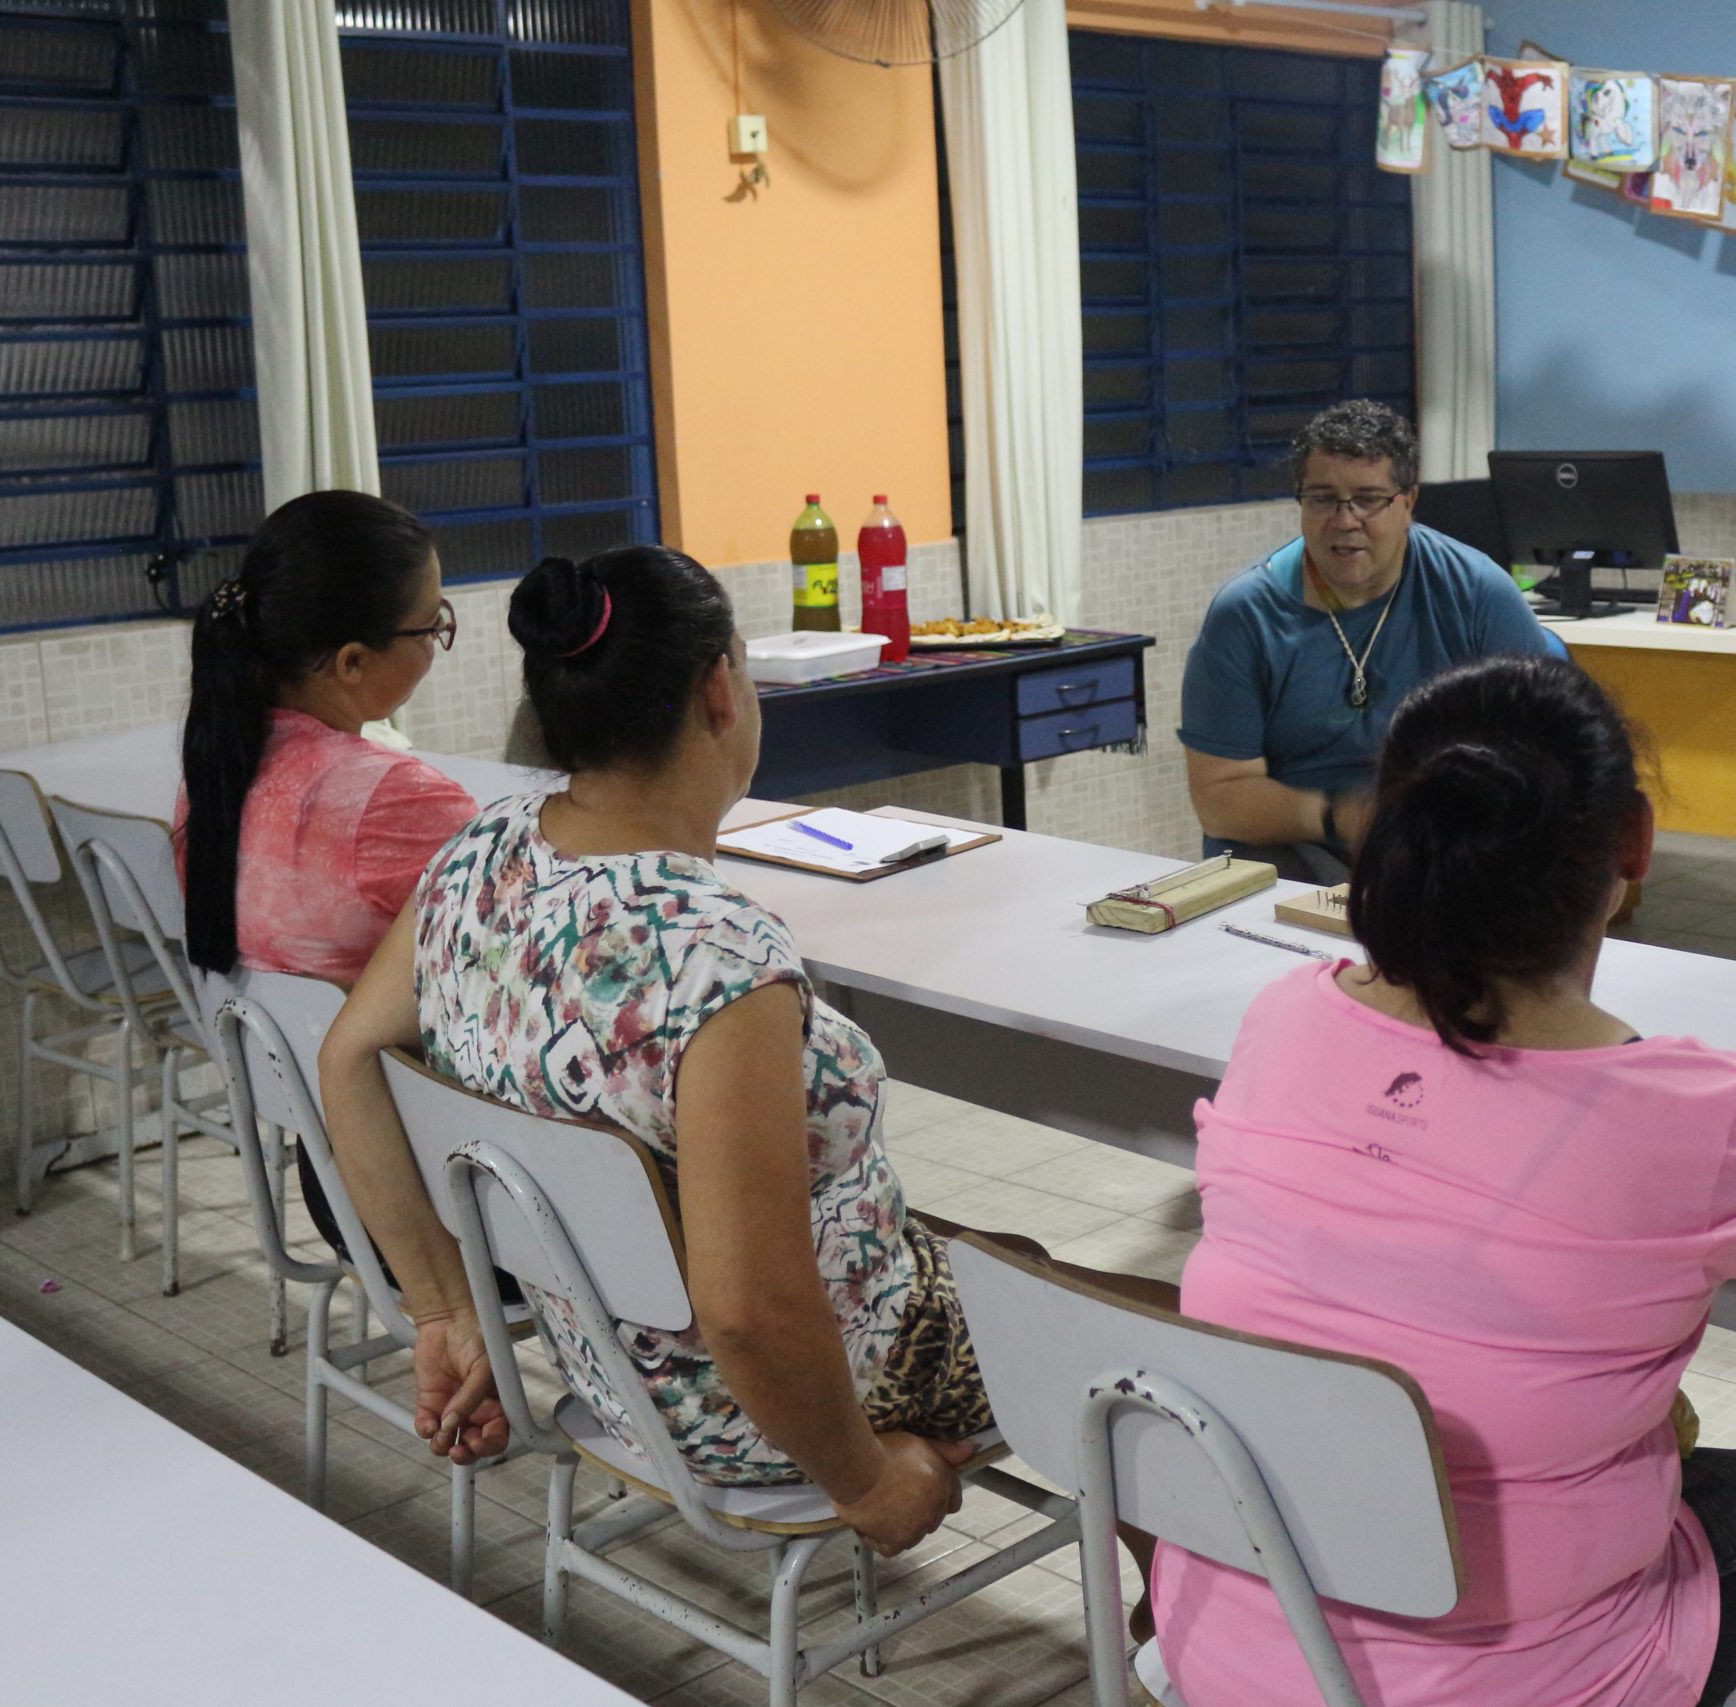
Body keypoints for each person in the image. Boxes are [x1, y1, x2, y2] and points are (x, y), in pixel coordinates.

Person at [317, 545, 1174, 1559]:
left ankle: (1156, 1586)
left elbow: (348, 1058)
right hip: (757, 1409)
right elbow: (746, 1313)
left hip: (602, 1365)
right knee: (1168, 1331)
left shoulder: (481, 854)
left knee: (1011, 1260)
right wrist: (865, 1481)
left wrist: (445, 1313)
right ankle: (1195, 1615)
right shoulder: (717, 962)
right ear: (721, 690)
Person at [1151, 654, 1736, 1707]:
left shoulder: (1282, 1015)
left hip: (1233, 1647)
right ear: (1635, 844)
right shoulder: (1695, 1115)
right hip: (1517, 1686)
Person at [178, 488, 470, 1261]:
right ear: (352, 662)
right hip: (444, 1193)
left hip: (326, 1165)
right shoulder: (393, 799)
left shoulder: (216, 772)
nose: (437, 644)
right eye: (432, 627)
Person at [1179, 399, 1553, 882]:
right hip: (1295, 850)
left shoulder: (1477, 593)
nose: (1345, 519)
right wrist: (1341, 817)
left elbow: (1544, 750)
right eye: (1322, 498)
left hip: (1441, 847)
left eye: (1368, 499)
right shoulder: (1246, 615)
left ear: (1408, 502)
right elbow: (1220, 799)